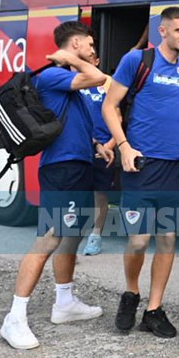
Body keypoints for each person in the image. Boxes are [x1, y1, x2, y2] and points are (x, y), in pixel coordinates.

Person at [102, 7, 179, 338]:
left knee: (168, 238)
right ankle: (131, 293)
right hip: (142, 163)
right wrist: (124, 146)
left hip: (177, 166)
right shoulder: (138, 62)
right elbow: (109, 105)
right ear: (163, 31)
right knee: (139, 239)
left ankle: (154, 309)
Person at [0, 21, 107, 350]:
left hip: (78, 162)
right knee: (49, 237)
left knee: (71, 233)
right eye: (88, 44)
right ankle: (14, 318)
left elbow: (69, 118)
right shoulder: (52, 75)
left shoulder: (65, 80)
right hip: (60, 168)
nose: (93, 51)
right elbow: (97, 77)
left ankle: (65, 302)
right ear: (75, 44)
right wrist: (71, 59)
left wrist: (96, 144)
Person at [80, 49, 117, 256]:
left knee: (100, 194)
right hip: (79, 147)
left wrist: (110, 145)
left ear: (97, 61)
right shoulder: (73, 83)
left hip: (104, 148)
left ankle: (95, 236)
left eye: (88, 60)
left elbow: (118, 117)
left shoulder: (108, 84)